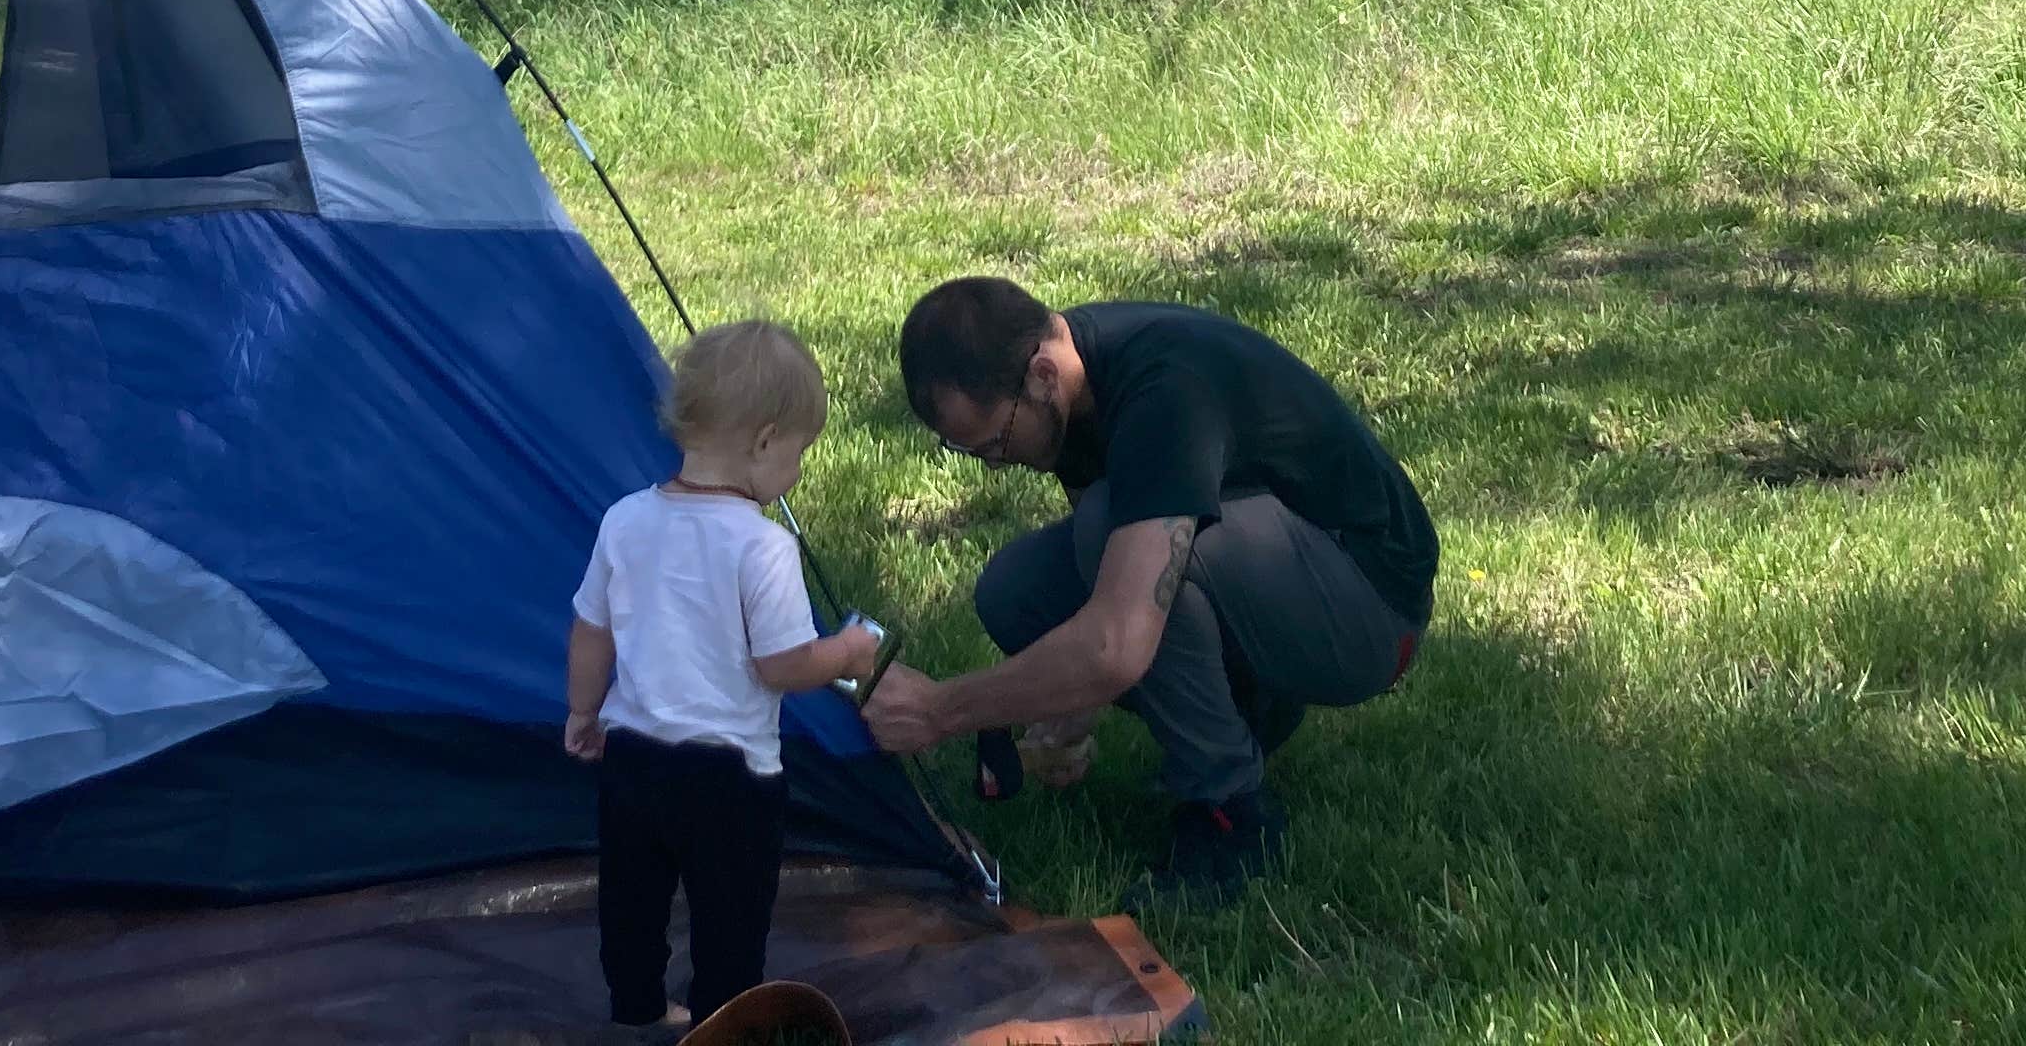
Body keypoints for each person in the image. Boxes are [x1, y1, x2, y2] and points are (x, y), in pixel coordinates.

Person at [861, 277, 1435, 904]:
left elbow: (1118, 645)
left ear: (1043, 377)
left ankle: (1231, 815)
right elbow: (1096, 567)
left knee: (1116, 531)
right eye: (971, 452)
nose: (996, 463)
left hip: (1371, 607)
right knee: (1015, 589)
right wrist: (1066, 700)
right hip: (1289, 576)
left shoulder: (1164, 392)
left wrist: (939, 710)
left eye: (996, 441)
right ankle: (1251, 713)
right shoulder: (1070, 382)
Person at [569, 319, 888, 1031]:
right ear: (766, 440)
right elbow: (782, 665)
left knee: (631, 900)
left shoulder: (624, 520)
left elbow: (592, 629)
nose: (797, 472)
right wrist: (847, 650)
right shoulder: (763, 545)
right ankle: (723, 1021)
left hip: (633, 760)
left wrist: (581, 712)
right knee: (730, 915)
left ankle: (637, 1010)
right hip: (730, 778)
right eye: (800, 453)